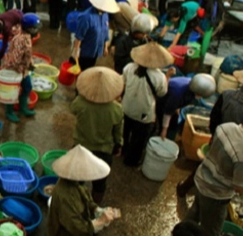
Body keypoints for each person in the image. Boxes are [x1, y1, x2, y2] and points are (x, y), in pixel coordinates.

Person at [72, 67, 124, 204]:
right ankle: (94, 207)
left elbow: (73, 109)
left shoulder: (80, 102)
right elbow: (118, 133)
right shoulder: (116, 109)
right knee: (100, 183)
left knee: (78, 179)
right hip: (103, 151)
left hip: (81, 147)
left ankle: (77, 204)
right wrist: (118, 145)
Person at [184, 122, 243, 236]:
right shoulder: (241, 154)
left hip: (202, 178)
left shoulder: (225, 127)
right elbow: (238, 188)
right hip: (216, 195)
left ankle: (181, 232)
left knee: (195, 212)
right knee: (211, 231)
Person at [121, 42, 173, 167]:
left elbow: (124, 83)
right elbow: (162, 93)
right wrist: (168, 76)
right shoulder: (159, 77)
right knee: (138, 139)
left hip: (127, 107)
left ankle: (122, 150)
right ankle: (131, 161)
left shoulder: (129, 68)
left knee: (125, 131)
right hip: (143, 113)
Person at [47, 145, 118, 235]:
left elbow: (86, 199)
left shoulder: (77, 183)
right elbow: (76, 227)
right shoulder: (65, 195)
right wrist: (100, 221)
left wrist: (96, 209)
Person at [0, 13, 41, 122]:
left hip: (23, 69)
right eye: (35, 28)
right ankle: (9, 112)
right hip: (13, 69)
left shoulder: (27, 37)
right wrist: (21, 70)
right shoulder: (19, 40)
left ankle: (23, 108)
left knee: (27, 87)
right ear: (30, 29)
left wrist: (30, 63)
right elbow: (14, 59)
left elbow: (27, 54)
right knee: (12, 91)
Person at [158, 73, 215, 139]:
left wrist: (177, 107)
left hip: (173, 103)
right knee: (163, 125)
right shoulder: (177, 93)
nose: (200, 97)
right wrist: (164, 130)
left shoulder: (193, 86)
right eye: (199, 95)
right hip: (163, 102)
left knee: (173, 124)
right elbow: (167, 113)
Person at [72, 0, 119, 70]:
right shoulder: (86, 17)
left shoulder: (105, 15)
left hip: (96, 50)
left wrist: (105, 47)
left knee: (90, 68)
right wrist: (76, 51)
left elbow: (105, 32)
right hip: (85, 52)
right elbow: (79, 36)